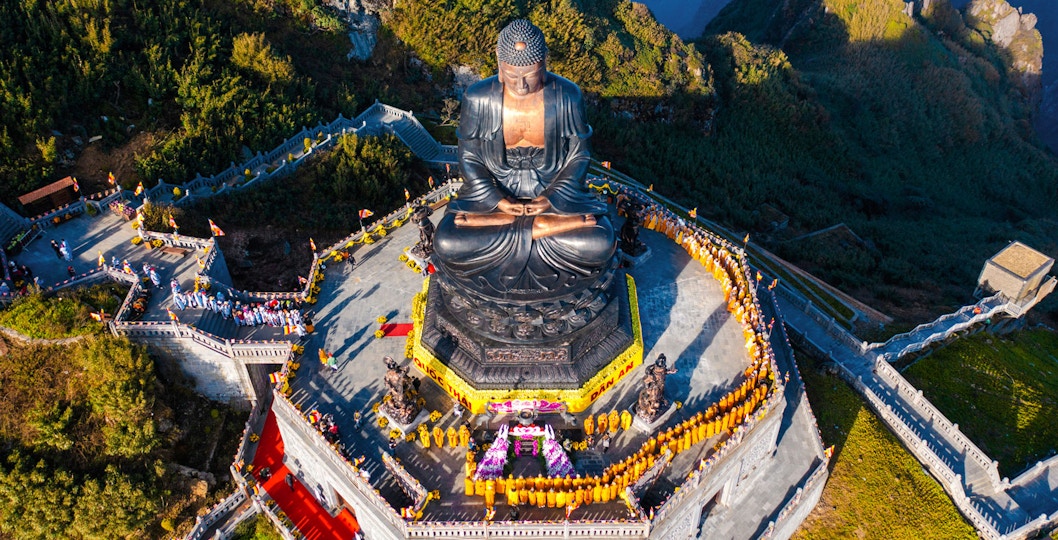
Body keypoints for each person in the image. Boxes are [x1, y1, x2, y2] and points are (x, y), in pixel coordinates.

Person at [431, 19, 615, 301]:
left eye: (530, 74)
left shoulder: (567, 96)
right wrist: (496, 199)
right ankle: (541, 229)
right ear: (498, 62)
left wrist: (551, 198)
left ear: (543, 63)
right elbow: (469, 156)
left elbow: (580, 154)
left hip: (552, 191)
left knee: (600, 241)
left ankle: (522, 225)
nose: (522, 85)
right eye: (512, 74)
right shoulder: (479, 98)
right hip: (496, 193)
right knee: (446, 241)